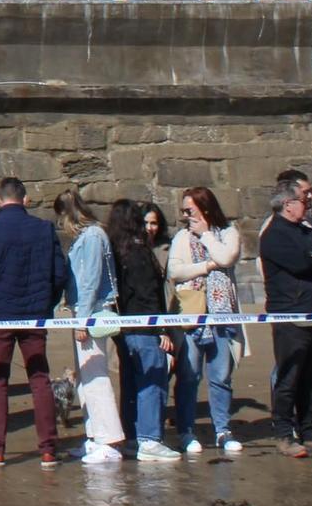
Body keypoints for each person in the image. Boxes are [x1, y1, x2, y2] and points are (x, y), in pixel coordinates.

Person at [0, 177, 69, 467]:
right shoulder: (44, 229)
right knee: (39, 378)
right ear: (25, 199)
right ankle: (48, 448)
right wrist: (47, 304)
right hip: (34, 314)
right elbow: (59, 274)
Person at [262, 176, 312, 458]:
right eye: (304, 197)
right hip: (291, 316)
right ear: (288, 203)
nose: (309, 201)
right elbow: (301, 263)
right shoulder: (274, 234)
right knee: (289, 377)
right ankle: (284, 434)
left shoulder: (308, 229)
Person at [167, 187, 246, 454]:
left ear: (205, 208)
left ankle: (222, 429)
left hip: (222, 315)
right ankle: (186, 431)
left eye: (190, 210)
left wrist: (207, 236)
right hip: (191, 315)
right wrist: (207, 266)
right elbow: (175, 271)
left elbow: (226, 257)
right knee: (189, 376)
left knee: (221, 376)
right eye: (184, 211)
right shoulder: (180, 237)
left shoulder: (228, 233)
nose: (186, 215)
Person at [52, 190, 123, 465]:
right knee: (85, 378)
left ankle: (109, 439)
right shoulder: (86, 237)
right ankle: (94, 436)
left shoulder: (93, 236)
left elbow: (91, 281)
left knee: (96, 377)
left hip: (92, 313)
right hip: (83, 312)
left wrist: (83, 319)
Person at [105, 200, 176, 461]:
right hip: (144, 327)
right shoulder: (139, 252)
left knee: (130, 384)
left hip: (124, 328)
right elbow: (149, 294)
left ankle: (132, 436)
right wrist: (161, 330)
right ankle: (149, 439)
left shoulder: (115, 251)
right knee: (152, 382)